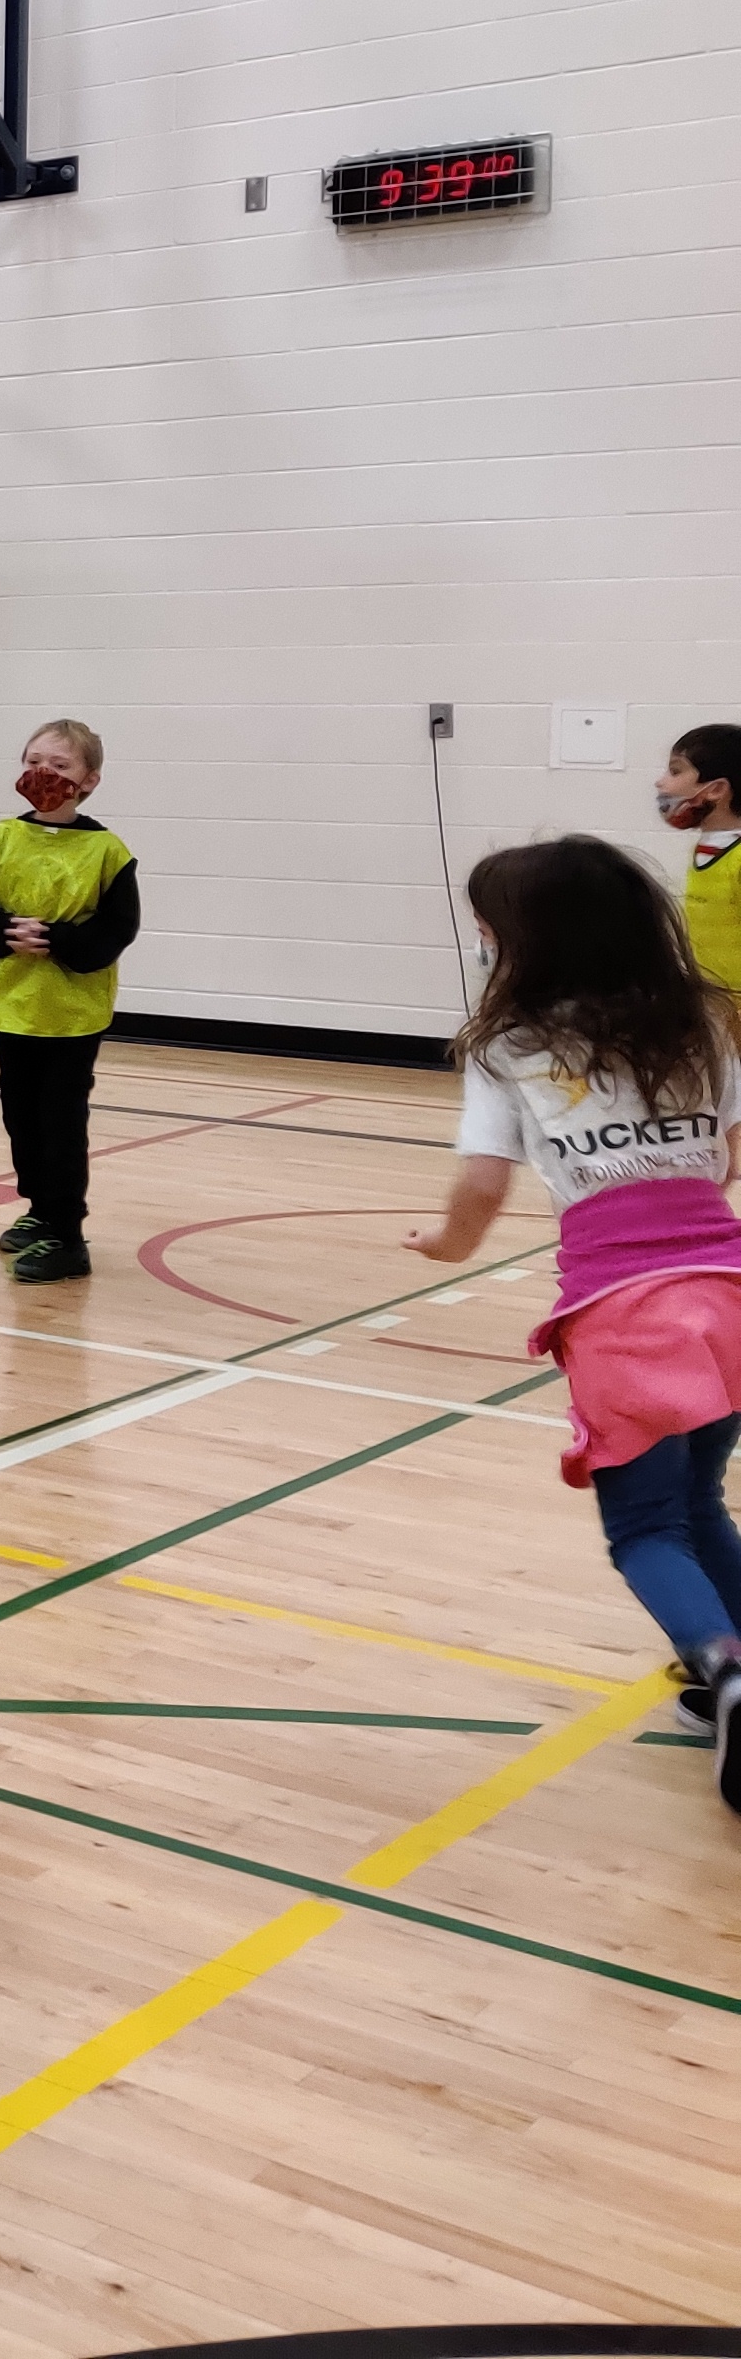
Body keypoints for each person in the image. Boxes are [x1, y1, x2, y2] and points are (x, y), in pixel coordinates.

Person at [406, 838, 741, 1795]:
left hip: (623, 1314)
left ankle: (727, 1671)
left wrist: (446, 1245)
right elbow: (730, 1156)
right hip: (726, 1288)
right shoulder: (700, 1022)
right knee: (700, 1498)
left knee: (645, 1528)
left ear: (525, 940)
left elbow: (481, 1184)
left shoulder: (508, 1044)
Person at [0, 718, 142, 1285]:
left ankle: (67, 1235)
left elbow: (118, 928)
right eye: (35, 761)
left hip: (72, 1013)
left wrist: (60, 940)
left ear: (89, 780)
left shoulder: (107, 851)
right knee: (21, 1115)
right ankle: (40, 1208)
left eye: (60, 766)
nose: (45, 773)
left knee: (61, 1121)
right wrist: (3, 932)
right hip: (13, 1006)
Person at [656, 724, 741, 997]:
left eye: (675, 771)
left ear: (716, 790)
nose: (660, 783)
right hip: (713, 997)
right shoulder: (709, 847)